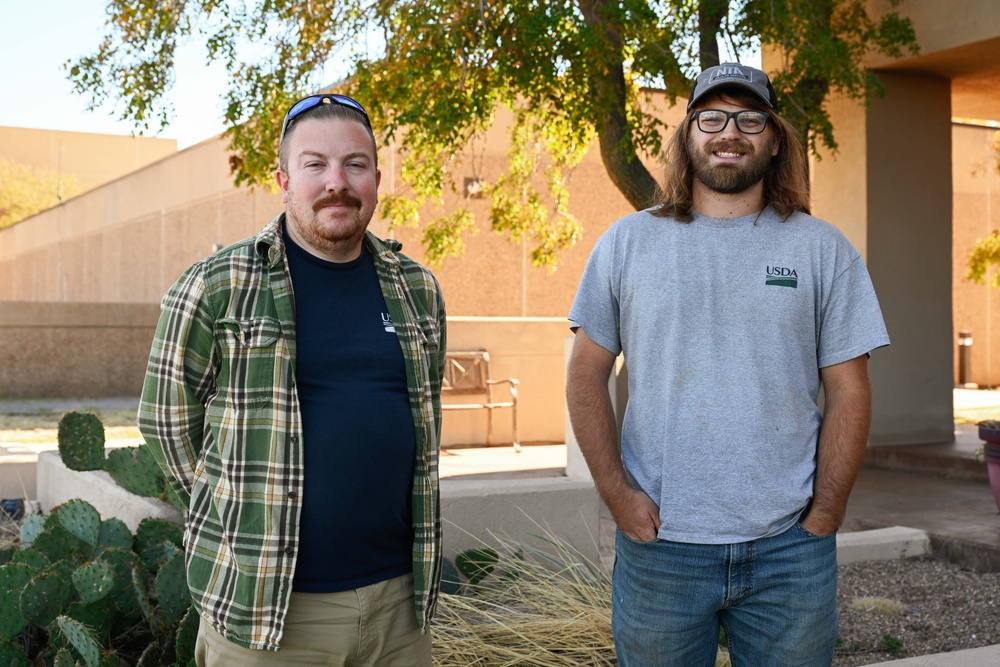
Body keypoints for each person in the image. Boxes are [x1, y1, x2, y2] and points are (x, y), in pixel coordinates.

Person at [565, 63, 890, 666]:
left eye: (749, 118)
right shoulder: (628, 243)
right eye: (711, 118)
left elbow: (849, 389)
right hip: (662, 545)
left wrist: (826, 511)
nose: (729, 132)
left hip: (789, 550)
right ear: (688, 135)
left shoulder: (821, 249)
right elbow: (586, 372)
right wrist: (616, 494)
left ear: (774, 138)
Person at [138, 93, 446, 666]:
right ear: (283, 179)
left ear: (377, 178)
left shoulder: (418, 290)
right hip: (270, 617)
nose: (337, 181)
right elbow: (164, 421)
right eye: (315, 165)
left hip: (399, 611)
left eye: (355, 164)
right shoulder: (216, 285)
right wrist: (235, 513)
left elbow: (421, 422)